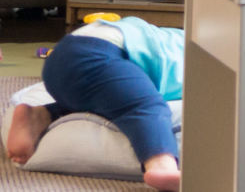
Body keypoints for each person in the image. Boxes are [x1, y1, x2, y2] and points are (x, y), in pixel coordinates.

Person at [6, 17, 186, 191]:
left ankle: (41, 114)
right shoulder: (203, 58)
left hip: (61, 59)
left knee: (107, 99)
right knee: (145, 107)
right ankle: (161, 166)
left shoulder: (177, 40)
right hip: (100, 55)